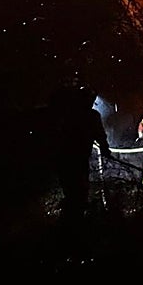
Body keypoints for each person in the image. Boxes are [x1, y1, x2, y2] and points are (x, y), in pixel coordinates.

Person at [46, 82, 111, 225]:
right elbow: (100, 135)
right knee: (78, 189)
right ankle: (75, 219)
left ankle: (72, 217)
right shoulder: (90, 115)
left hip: (66, 157)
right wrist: (105, 149)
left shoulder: (69, 114)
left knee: (72, 188)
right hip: (75, 158)